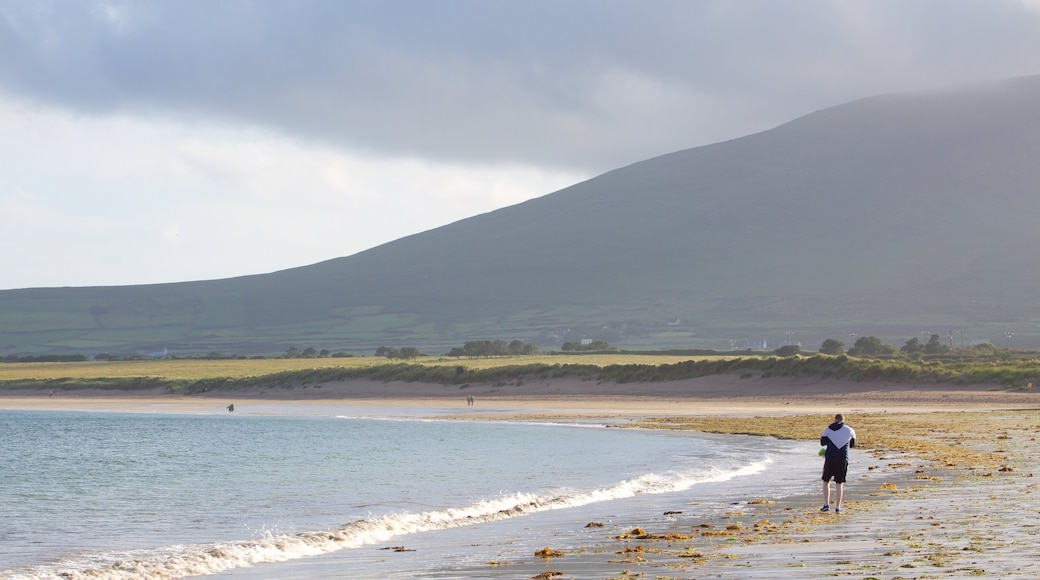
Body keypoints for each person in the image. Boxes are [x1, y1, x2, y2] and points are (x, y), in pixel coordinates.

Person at [820, 413, 856, 514]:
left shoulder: (828, 429)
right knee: (839, 484)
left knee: (826, 481)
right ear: (844, 420)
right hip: (842, 458)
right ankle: (838, 507)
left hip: (830, 458)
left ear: (835, 420)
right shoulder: (850, 430)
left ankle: (826, 505)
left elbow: (823, 443)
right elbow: (852, 445)